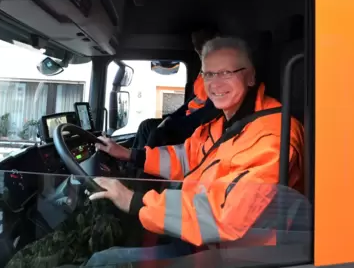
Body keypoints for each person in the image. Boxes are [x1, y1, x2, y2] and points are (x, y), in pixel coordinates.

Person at [87, 36, 304, 265]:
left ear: (250, 77)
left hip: (242, 255)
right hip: (204, 236)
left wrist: (134, 200)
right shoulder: (223, 123)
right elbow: (187, 158)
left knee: (104, 261)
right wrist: (130, 154)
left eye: (227, 73)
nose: (215, 83)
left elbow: (228, 216)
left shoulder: (273, 136)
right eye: (209, 74)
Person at [132, 26, 220, 150]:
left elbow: (208, 113)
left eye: (201, 47)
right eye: (197, 48)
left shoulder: (218, 74)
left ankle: (141, 164)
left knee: (157, 134)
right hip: (187, 118)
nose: (199, 52)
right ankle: (132, 163)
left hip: (197, 124)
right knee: (146, 125)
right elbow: (189, 102)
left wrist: (175, 123)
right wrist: (171, 117)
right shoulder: (203, 72)